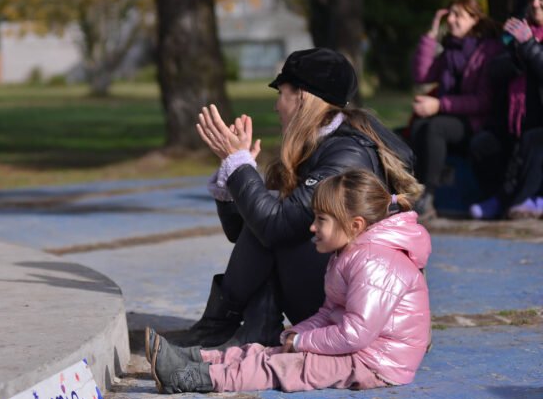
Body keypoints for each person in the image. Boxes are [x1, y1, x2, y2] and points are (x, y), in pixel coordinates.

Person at [172, 47, 420, 351]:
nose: (276, 106)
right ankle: (245, 328)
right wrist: (234, 174)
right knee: (273, 219)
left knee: (279, 226)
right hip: (337, 292)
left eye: (281, 94)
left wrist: (239, 166)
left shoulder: (347, 154)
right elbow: (242, 231)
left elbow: (274, 227)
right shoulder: (317, 144)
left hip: (360, 316)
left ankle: (225, 326)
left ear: (301, 96)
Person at [145, 169, 432, 395]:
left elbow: (356, 333)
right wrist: (294, 335)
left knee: (285, 366)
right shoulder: (350, 253)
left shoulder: (375, 262)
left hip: (377, 363)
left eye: (321, 219)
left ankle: (189, 378)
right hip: (362, 349)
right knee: (270, 352)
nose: (312, 226)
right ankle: (196, 359)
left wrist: (303, 342)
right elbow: (328, 313)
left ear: (355, 225)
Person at [410, 0, 502, 219]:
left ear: (475, 19)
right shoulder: (451, 49)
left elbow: (483, 102)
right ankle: (414, 190)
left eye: (458, 15)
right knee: (419, 125)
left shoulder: (488, 50)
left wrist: (439, 105)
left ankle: (428, 195)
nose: (451, 20)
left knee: (436, 127)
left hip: (478, 121)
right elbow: (422, 75)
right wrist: (431, 35)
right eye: (449, 14)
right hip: (452, 115)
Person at [470, 0, 543, 219]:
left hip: (538, 123)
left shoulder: (526, 38)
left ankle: (523, 200)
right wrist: (519, 56)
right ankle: (499, 198)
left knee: (534, 140)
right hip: (513, 119)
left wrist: (529, 45)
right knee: (483, 144)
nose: (535, 4)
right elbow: (494, 70)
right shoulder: (519, 33)